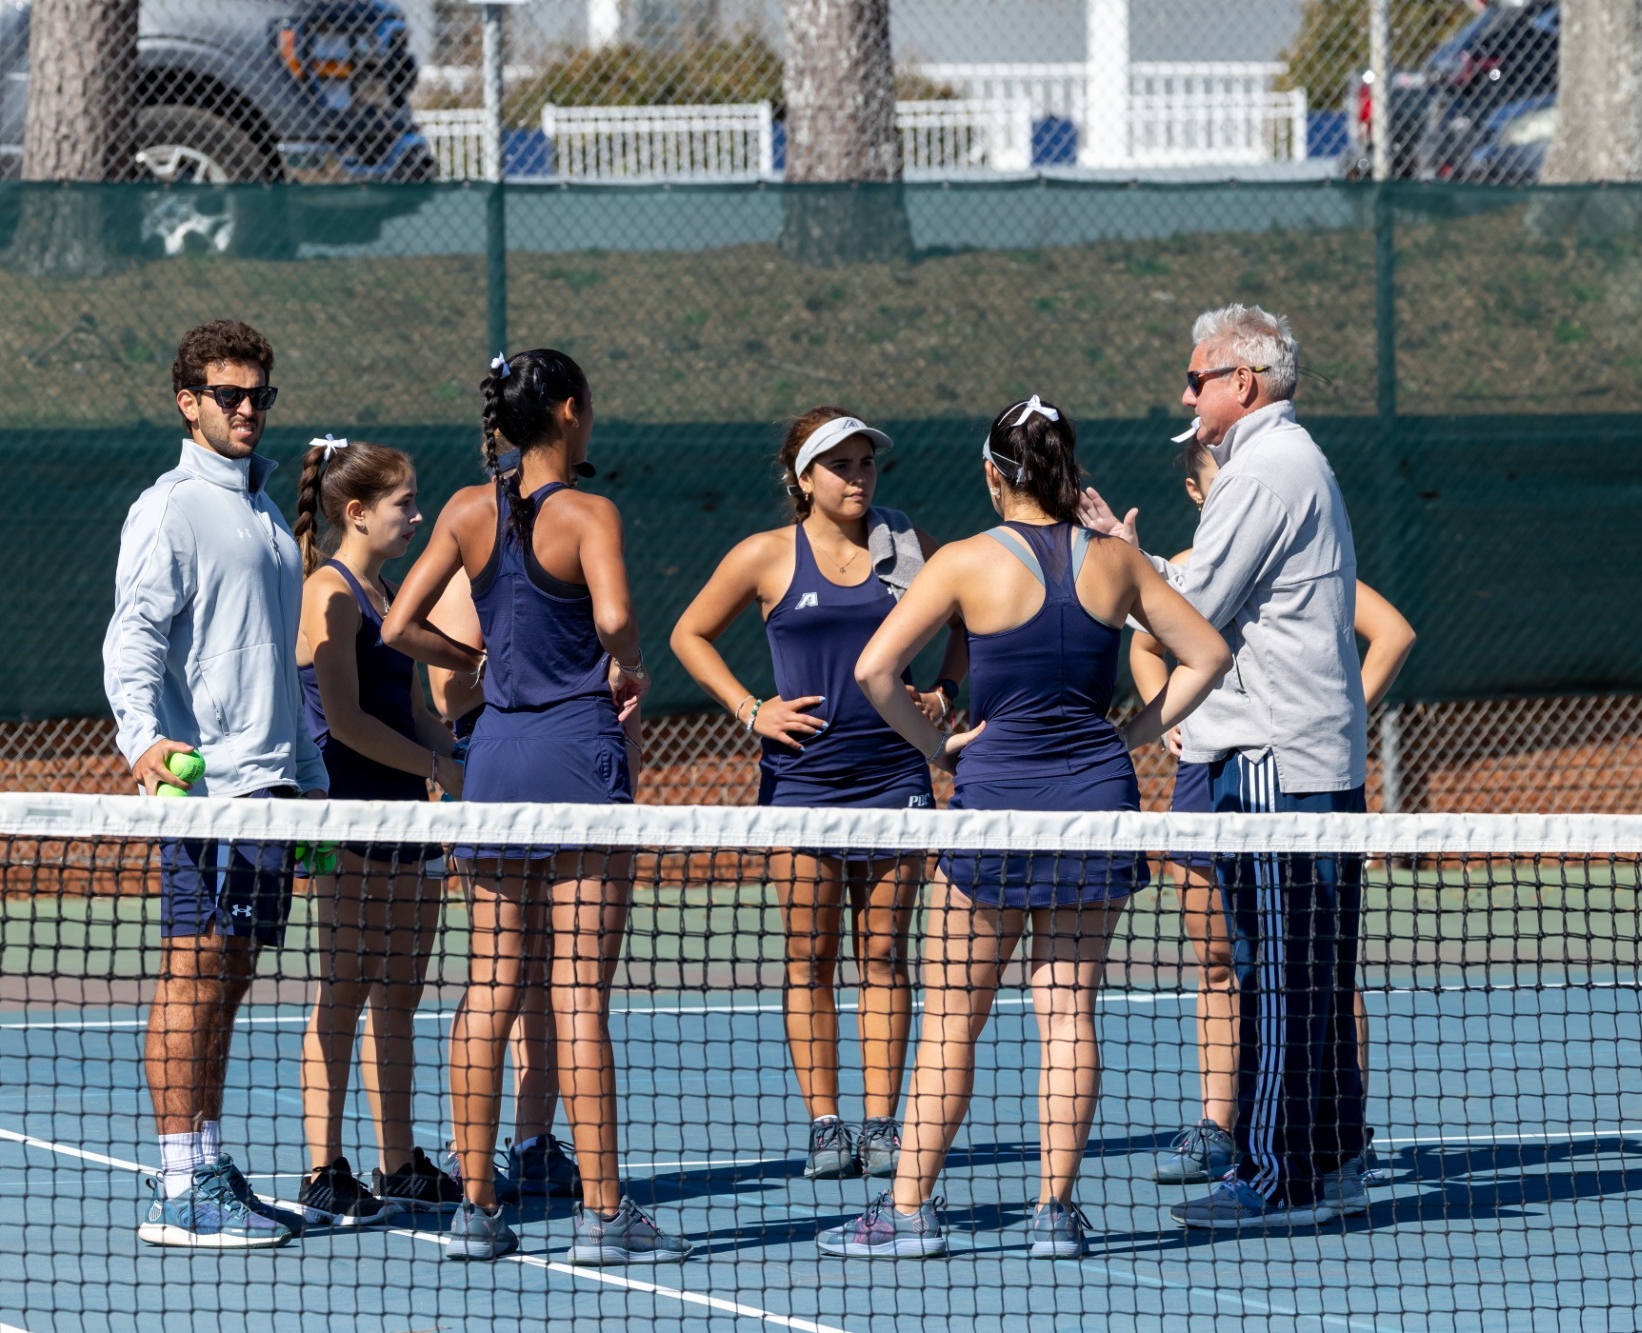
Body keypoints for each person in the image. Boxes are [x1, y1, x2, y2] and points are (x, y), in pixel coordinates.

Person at [815, 395, 1229, 1261]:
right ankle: (1056, 1212)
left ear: (993, 473)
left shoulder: (966, 561)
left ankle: (908, 1212)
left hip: (994, 805)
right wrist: (1137, 733)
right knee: (1068, 1012)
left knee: (952, 1018)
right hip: (1096, 804)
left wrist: (939, 745)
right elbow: (1210, 654)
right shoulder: (1116, 561)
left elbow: (873, 668)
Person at [380, 348, 691, 1266]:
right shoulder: (591, 512)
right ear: (565, 409)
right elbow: (614, 619)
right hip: (577, 755)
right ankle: (605, 1216)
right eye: (587, 403)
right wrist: (627, 667)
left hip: (498, 763)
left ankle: (476, 1210)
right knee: (577, 997)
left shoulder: (468, 510)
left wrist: (479, 666)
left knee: (490, 987)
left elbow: (398, 625)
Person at [1080, 303, 1373, 1231]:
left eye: (1198, 375)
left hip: (1276, 762)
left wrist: (1121, 566)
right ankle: (1331, 1157)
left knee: (1282, 969)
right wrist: (1138, 562)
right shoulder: (1279, 466)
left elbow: (1192, 609)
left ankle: (1283, 1175)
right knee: (1304, 966)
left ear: (1242, 383)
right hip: (1292, 755)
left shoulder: (1267, 469)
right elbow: (1202, 593)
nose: (1186, 390)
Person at [670, 406, 967, 1182]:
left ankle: (880, 1124)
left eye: (867, 463)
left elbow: (966, 613)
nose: (859, 478)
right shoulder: (766, 556)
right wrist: (750, 709)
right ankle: (826, 1124)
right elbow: (687, 635)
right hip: (801, 781)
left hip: (896, 775)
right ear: (804, 479)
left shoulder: (906, 546)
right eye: (842, 465)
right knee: (809, 957)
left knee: (884, 955)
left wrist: (944, 687)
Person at [1130, 437, 1416, 1191]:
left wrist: (1341, 712)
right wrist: (1169, 718)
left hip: (1284, 771)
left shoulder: (1295, 556)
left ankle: (1331, 1131)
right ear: (1201, 494)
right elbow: (1149, 648)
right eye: (1219, 475)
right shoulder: (1176, 570)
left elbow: (1393, 633)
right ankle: (1219, 1122)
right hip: (1209, 776)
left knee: (1315, 961)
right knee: (1223, 961)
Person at [105, 319, 323, 1249]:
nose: (247, 410)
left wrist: (313, 784)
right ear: (188, 401)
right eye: (229, 395)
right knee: (193, 973)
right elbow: (134, 636)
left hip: (272, 789)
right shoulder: (171, 507)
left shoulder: (270, 516)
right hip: (208, 791)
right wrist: (144, 741)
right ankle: (179, 1177)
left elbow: (283, 663)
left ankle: (208, 1157)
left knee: (231, 976)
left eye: (259, 396)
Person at [289, 436, 468, 1226]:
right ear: (356, 512)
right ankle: (324, 1169)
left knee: (400, 991)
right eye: (406, 503)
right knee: (345, 987)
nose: (419, 514)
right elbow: (347, 722)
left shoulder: (389, 591)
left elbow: (418, 711)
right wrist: (437, 770)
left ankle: (397, 1163)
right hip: (345, 814)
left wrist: (462, 756)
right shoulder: (325, 591)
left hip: (408, 817)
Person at [422, 566, 582, 1200]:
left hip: (568, 776)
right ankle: (472, 1156)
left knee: (549, 971)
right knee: (500, 973)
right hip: (494, 775)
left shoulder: (574, 561)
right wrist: (527, 671)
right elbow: (447, 694)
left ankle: (533, 1143)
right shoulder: (471, 574)